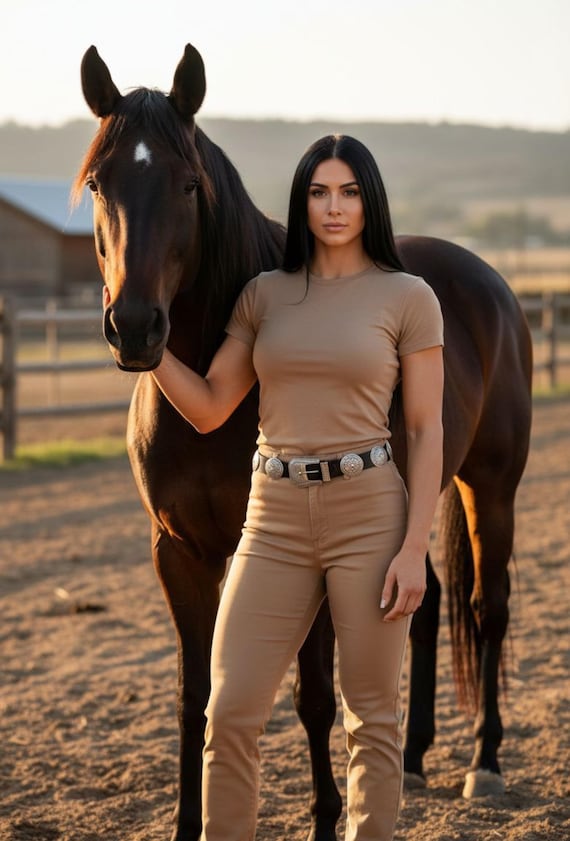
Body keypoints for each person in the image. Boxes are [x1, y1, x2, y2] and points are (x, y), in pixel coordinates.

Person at [151, 134, 444, 841]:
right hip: (273, 513)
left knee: (370, 716)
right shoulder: (265, 295)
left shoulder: (408, 297)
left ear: (368, 199)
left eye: (347, 191)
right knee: (230, 711)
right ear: (301, 201)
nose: (333, 207)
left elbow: (427, 428)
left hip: (368, 509)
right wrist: (147, 351)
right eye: (319, 192)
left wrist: (414, 547)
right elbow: (213, 403)